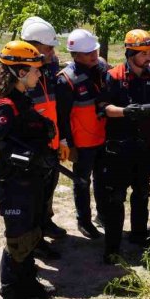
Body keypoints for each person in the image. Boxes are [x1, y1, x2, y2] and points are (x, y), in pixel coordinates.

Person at [0, 41, 57, 299]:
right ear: (20, 71)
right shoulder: (5, 106)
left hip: (32, 182)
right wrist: (26, 158)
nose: (39, 75)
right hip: (15, 184)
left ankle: (28, 283)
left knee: (33, 233)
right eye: (35, 71)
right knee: (18, 240)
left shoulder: (23, 99)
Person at [97, 30, 150, 263]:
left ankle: (139, 235)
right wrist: (126, 112)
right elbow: (103, 108)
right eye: (143, 53)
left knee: (141, 193)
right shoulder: (114, 75)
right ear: (130, 53)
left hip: (146, 145)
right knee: (115, 198)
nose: (149, 57)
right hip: (120, 147)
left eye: (149, 52)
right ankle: (112, 246)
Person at [21, 17, 66, 258]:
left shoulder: (49, 67)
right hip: (32, 146)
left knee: (49, 187)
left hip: (51, 141)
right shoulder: (19, 72)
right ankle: (35, 239)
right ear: (34, 46)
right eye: (48, 48)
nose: (52, 52)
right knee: (34, 195)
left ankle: (45, 223)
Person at [56, 29, 107, 239]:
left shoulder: (102, 69)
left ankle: (102, 215)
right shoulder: (66, 79)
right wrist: (69, 144)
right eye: (88, 53)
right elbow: (63, 116)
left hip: (103, 137)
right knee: (82, 182)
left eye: (95, 51)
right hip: (83, 142)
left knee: (103, 180)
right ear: (75, 55)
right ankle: (83, 221)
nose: (94, 55)